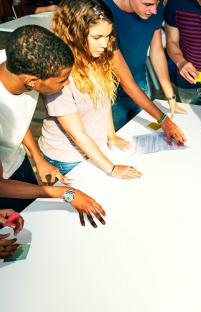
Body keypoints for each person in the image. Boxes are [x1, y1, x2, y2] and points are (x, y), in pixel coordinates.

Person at [0, 25, 106, 227]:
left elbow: (15, 121)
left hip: (18, 162)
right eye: (62, 80)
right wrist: (65, 193)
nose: (66, 84)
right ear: (32, 81)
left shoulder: (18, 60)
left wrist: (37, 158)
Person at [38, 0, 142, 179]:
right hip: (67, 157)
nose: (105, 44)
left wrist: (111, 134)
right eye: (97, 37)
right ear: (75, 33)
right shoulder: (58, 72)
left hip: (96, 148)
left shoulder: (98, 56)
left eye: (108, 36)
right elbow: (76, 133)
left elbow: (103, 99)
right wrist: (111, 168)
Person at [102, 0, 186, 145]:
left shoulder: (155, 6)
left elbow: (157, 51)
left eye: (157, 3)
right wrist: (163, 119)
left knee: (145, 135)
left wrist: (170, 95)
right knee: (120, 142)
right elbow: (126, 82)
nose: (154, 11)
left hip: (140, 81)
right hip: (109, 91)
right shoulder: (104, 10)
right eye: (147, 4)